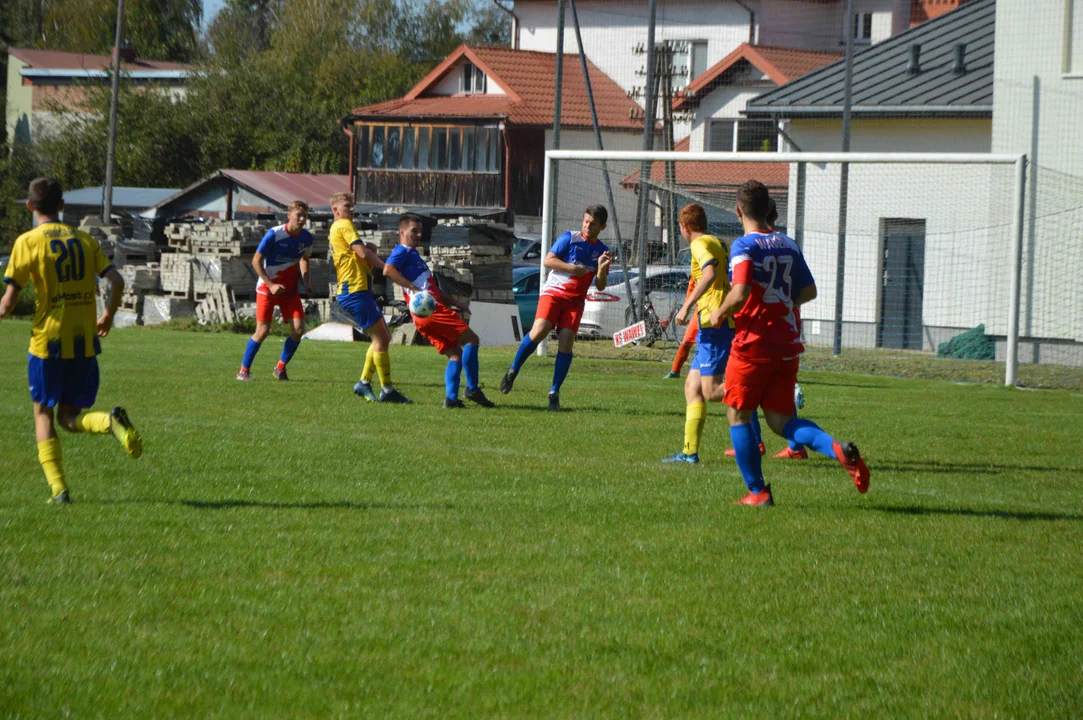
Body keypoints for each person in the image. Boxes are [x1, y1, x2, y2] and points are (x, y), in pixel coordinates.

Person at [710, 181, 869, 506]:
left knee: (738, 416)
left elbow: (739, 293)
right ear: (769, 208)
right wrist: (783, 304)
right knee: (782, 421)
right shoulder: (788, 243)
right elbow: (809, 291)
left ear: (739, 211)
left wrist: (719, 312)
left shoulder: (744, 246)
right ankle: (835, 448)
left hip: (754, 344)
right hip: (787, 344)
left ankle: (758, 492)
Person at [0, 177, 142, 504]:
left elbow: (8, 300)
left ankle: (59, 490)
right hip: (84, 343)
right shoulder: (84, 240)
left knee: (44, 415)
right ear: (62, 206)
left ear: (31, 207)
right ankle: (110, 422)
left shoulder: (28, 242)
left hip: (47, 343)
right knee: (69, 418)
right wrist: (108, 314)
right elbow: (117, 280)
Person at [500, 205, 612, 411]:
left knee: (567, 343)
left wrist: (603, 269)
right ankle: (513, 370)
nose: (588, 226)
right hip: (554, 294)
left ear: (602, 226)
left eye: (593, 223)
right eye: (586, 221)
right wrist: (572, 268)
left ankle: (554, 392)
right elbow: (548, 260)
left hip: (575, 302)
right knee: (540, 330)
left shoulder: (601, 251)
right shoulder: (569, 238)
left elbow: (601, 285)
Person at [382, 213, 495, 409]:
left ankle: (451, 399)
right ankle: (472, 389)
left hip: (422, 315)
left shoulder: (414, 255)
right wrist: (414, 289)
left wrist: (455, 302)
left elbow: (433, 287)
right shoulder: (403, 251)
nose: (418, 235)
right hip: (431, 311)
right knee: (472, 340)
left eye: (420, 232)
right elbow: (387, 270)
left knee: (455, 353)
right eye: (413, 231)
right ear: (401, 231)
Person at [660, 203, 734, 465]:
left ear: (684, 227)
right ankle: (689, 453)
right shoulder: (717, 241)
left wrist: (686, 306)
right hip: (710, 325)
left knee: (713, 391)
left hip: (716, 323)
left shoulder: (698, 244)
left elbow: (710, 273)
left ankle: (765, 392)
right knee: (693, 386)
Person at [327, 192, 411, 404]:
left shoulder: (338, 228)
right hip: (354, 291)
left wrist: (368, 251)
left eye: (352, 205)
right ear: (336, 210)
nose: (352, 209)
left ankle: (365, 383)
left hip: (358, 289)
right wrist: (386, 267)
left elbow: (358, 254)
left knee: (380, 338)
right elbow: (363, 254)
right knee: (382, 339)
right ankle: (386, 389)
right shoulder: (344, 225)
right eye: (347, 206)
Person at [236, 200, 313, 381]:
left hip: (290, 291)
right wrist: (271, 285)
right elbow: (255, 261)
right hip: (266, 289)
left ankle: (280, 368)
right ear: (289, 215)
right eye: (298, 215)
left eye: (305, 216)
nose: (302, 219)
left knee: (299, 329)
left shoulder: (307, 238)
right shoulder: (274, 235)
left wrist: (307, 282)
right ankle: (243, 371)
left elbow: (304, 259)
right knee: (262, 331)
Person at [663, 275, 699, 379]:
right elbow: (691, 291)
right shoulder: (695, 271)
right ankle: (675, 371)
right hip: (699, 311)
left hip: (713, 310)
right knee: (686, 341)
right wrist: (685, 311)